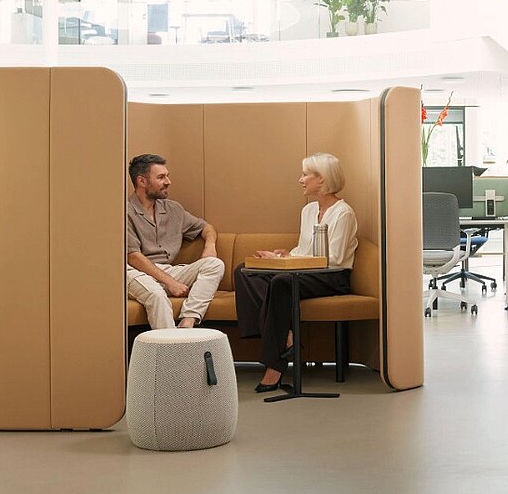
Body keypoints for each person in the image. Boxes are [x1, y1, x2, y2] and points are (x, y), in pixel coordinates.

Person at [234, 153, 359, 393]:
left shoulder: (343, 213)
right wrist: (284, 256)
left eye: (305, 175)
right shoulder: (309, 210)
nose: (300, 180)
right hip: (306, 270)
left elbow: (334, 258)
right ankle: (286, 336)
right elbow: (304, 249)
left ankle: (275, 367)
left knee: (281, 282)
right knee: (245, 271)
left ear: (321, 180)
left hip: (333, 276)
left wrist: (289, 261)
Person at [125, 153, 224, 329]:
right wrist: (170, 283)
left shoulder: (173, 209)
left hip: (166, 270)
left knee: (214, 264)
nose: (168, 182)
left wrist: (210, 246)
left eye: (167, 176)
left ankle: (187, 323)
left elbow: (207, 228)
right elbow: (133, 257)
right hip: (134, 272)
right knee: (157, 295)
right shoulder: (125, 212)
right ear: (142, 181)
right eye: (161, 177)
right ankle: (171, 351)